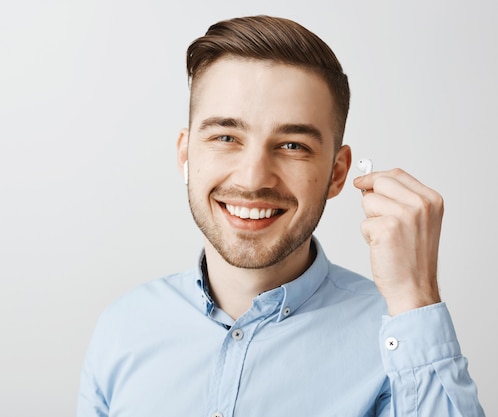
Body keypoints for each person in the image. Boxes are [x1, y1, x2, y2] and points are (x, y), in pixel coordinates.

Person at [77, 15, 485, 416]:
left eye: (292, 146)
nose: (253, 178)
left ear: (337, 173)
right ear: (186, 155)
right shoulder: (122, 328)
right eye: (225, 137)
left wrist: (416, 299)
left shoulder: (399, 340)